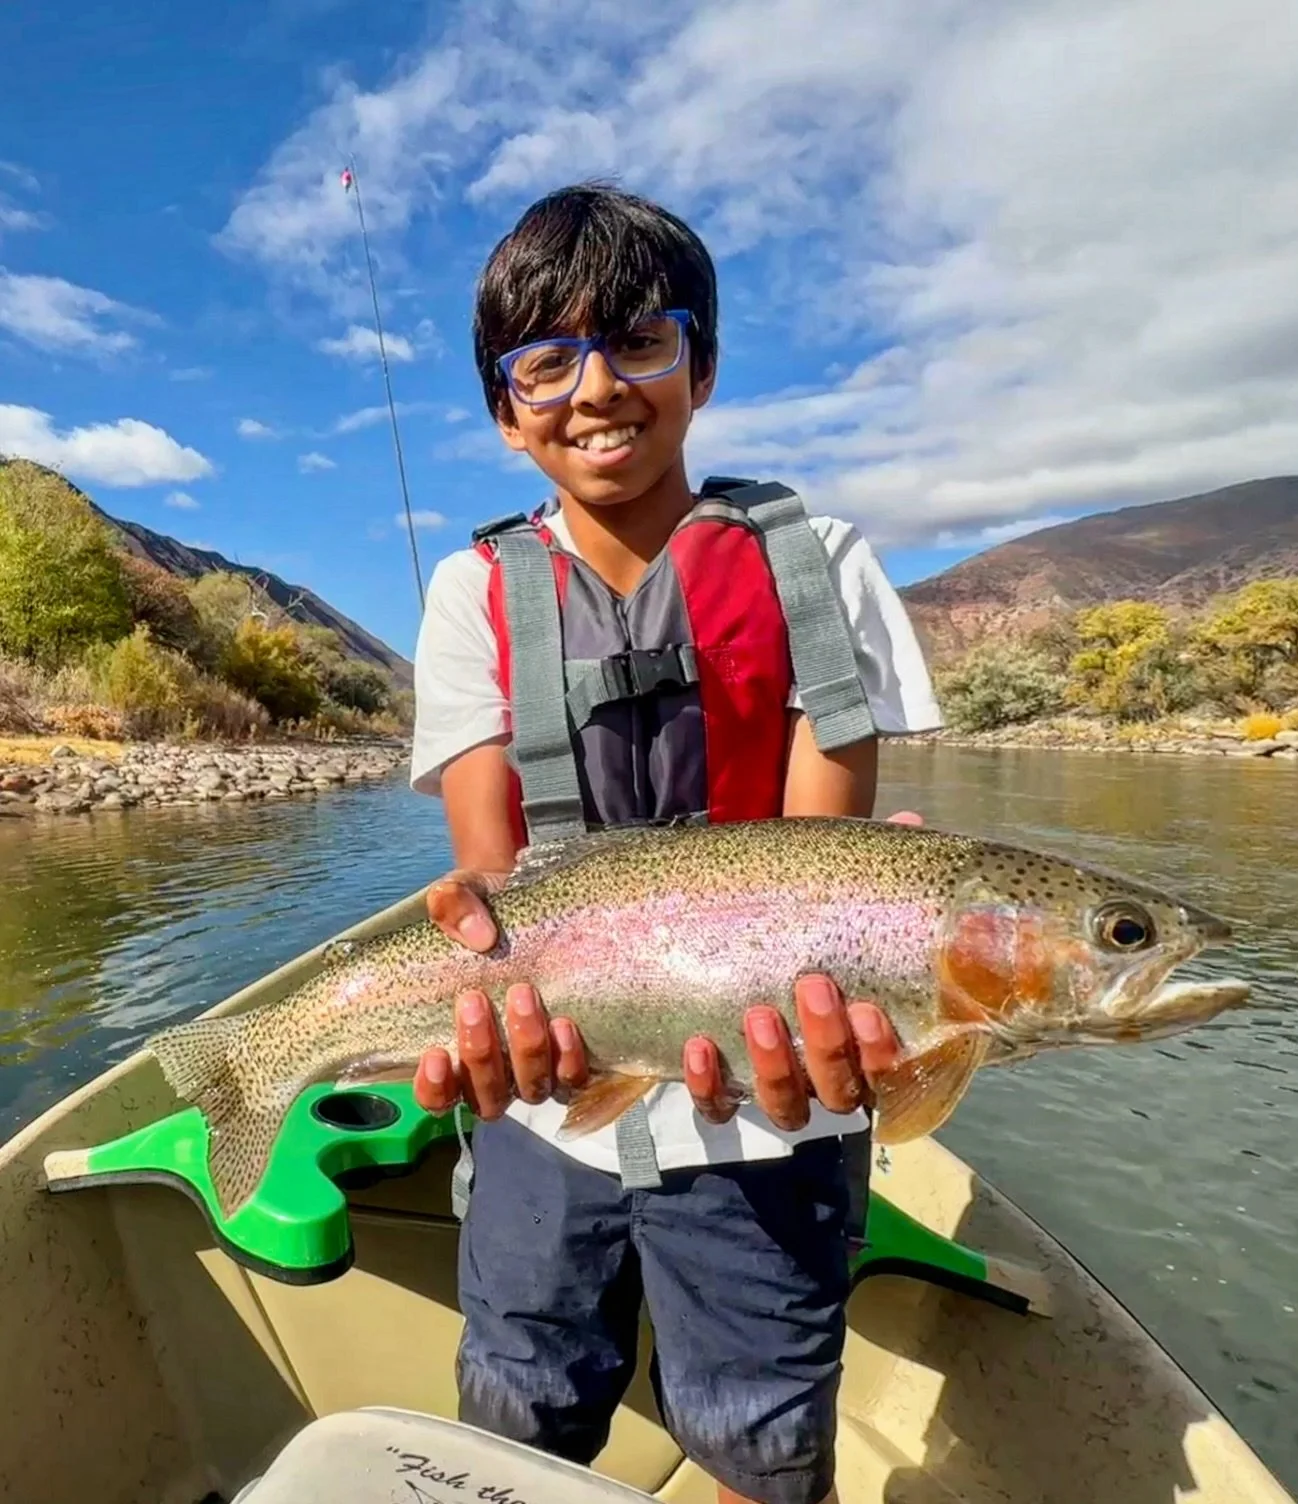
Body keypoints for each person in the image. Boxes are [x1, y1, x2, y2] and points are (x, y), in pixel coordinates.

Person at [405, 182, 944, 1504]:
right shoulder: (469, 594)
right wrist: (481, 988)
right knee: (519, 1411)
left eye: (639, 342)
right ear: (503, 409)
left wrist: (882, 981)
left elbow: (824, 891)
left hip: (771, 1126)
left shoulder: (820, 561)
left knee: (760, 1442)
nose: (594, 388)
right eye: (546, 361)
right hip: (546, 1118)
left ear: (700, 366)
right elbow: (496, 894)